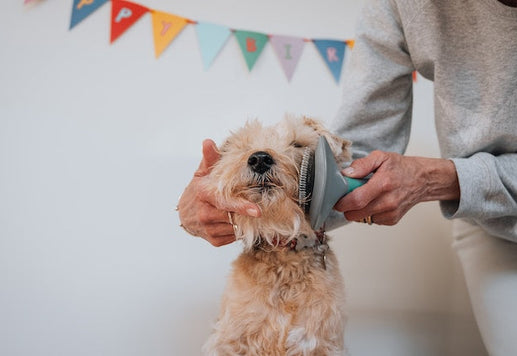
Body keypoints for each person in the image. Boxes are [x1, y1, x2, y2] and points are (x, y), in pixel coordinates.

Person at [178, 0, 517, 354]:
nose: (265, 157)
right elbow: (355, 154)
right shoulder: (399, 5)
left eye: (297, 146)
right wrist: (197, 203)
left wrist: (448, 178)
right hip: (490, 215)